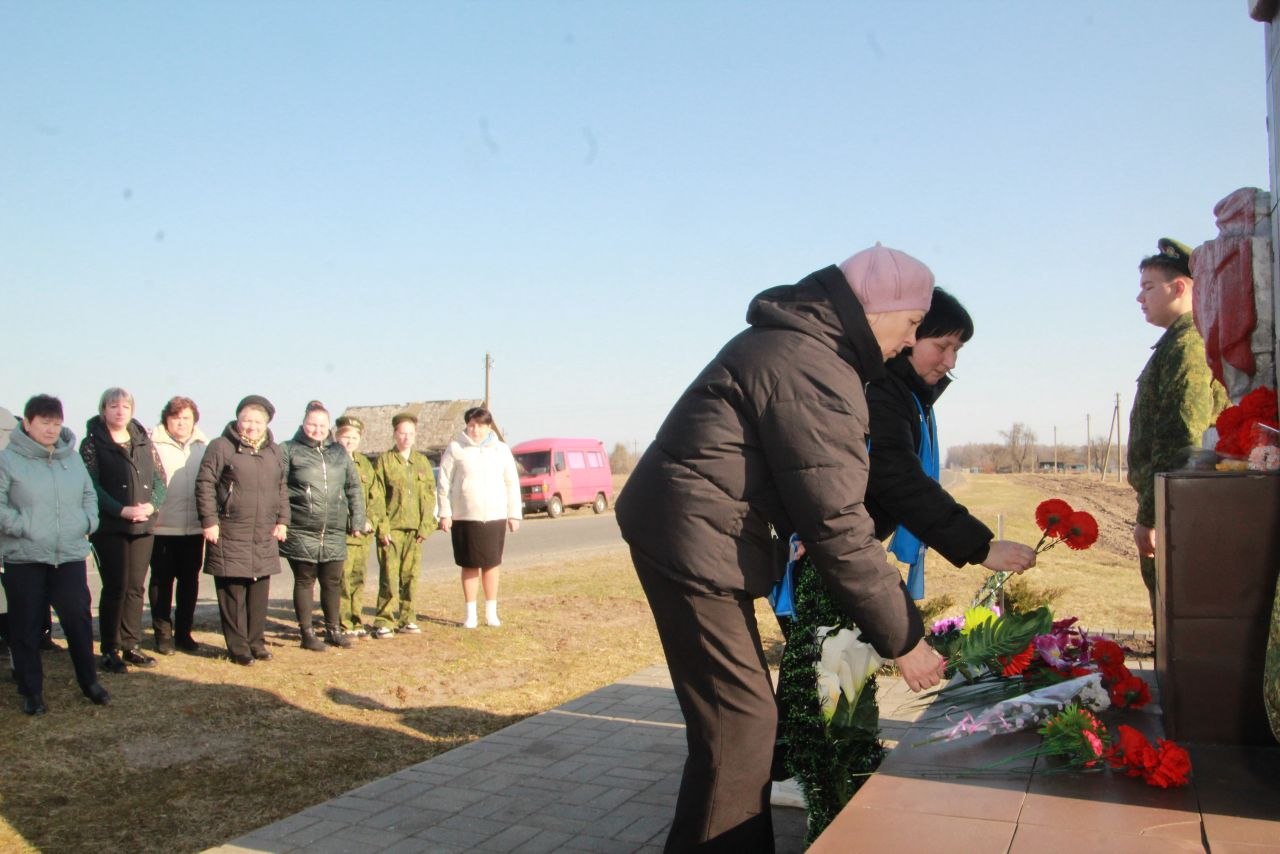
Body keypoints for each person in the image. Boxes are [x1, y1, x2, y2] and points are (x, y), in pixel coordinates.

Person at [616, 243, 949, 851]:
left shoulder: (805, 347)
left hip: (689, 528)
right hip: (690, 538)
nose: (909, 341)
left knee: (738, 725)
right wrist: (904, 638)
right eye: (911, 323)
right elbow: (837, 522)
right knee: (738, 726)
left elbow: (796, 479)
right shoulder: (812, 364)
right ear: (877, 308)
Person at [865, 288, 1037, 595]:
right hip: (823, 549)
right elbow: (899, 480)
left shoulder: (909, 395)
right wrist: (979, 548)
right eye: (943, 346)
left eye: (957, 350)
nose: (951, 361)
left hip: (849, 545)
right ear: (909, 336)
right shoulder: (880, 392)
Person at [1128, 238, 1225, 618]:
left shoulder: (1187, 346)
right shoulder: (1176, 343)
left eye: (1149, 287)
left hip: (1178, 510)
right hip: (1174, 505)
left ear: (1180, 287)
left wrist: (1152, 517)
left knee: (1178, 618)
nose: (1140, 298)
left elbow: (1181, 438)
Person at [0, 395, 109, 714]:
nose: (51, 429)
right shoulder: (8, 460)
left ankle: (89, 682)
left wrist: (88, 521)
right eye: (44, 422)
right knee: (26, 626)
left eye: (56, 423)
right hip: (25, 556)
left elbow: (89, 494)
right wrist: (23, 525)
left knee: (78, 620)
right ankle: (31, 691)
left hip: (69, 555)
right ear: (27, 423)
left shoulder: (70, 458)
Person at [195, 395, 289, 665]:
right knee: (233, 590)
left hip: (263, 531)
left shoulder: (274, 451)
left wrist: (283, 519)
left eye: (258, 421)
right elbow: (205, 483)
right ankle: (238, 648)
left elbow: (281, 487)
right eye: (247, 420)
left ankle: (256, 642)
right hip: (230, 529)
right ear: (238, 420)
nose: (252, 426)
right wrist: (209, 521)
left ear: (266, 423)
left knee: (259, 590)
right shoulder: (221, 446)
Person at [81, 387, 167, 673]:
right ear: (103, 409)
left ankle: (131, 644)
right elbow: (91, 485)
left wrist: (151, 506)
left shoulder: (143, 441)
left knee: (135, 587)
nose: (120, 411)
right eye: (113, 406)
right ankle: (110, 648)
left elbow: (160, 479)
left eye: (125, 407)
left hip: (143, 524)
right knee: (115, 586)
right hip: (110, 526)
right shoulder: (92, 443)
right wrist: (120, 510)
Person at [280, 401, 366, 651]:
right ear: (303, 423)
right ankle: (307, 634)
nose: (317, 430)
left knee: (332, 581)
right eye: (312, 424)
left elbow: (353, 487)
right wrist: (281, 521)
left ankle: (333, 630)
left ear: (329, 427)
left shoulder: (339, 452)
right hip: (301, 528)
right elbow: (279, 487)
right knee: (304, 581)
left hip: (334, 529)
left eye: (322, 425)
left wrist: (357, 520)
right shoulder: (289, 449)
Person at [436, 407, 521, 629]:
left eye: (480, 425)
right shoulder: (456, 448)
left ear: (489, 426)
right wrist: (444, 512)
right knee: (469, 565)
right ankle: (470, 614)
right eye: (471, 425)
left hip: (495, 515)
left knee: (491, 564)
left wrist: (514, 514)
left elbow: (511, 483)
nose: (475, 429)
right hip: (465, 517)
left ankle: (491, 613)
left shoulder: (501, 450)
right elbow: (443, 483)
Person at [368, 412, 436, 638]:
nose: (406, 438)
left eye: (410, 434)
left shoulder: (422, 462)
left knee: (411, 576)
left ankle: (407, 618)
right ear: (394, 434)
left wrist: (426, 525)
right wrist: (382, 527)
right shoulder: (385, 461)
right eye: (402, 433)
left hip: (415, 530)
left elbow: (429, 496)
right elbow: (377, 496)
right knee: (389, 576)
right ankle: (384, 620)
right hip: (392, 529)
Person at [149, 396, 208, 654]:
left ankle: (184, 633)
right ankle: (163, 634)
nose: (181, 423)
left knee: (189, 582)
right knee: (161, 582)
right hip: (162, 526)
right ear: (166, 420)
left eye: (186, 418)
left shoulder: (203, 446)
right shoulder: (151, 444)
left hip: (193, 527)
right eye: (176, 418)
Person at [334, 415, 378, 637]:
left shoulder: (365, 464)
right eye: (345, 437)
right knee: (342, 580)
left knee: (358, 579)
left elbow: (375, 497)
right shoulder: (332, 462)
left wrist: (370, 520)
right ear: (336, 437)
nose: (349, 441)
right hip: (342, 533)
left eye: (354, 437)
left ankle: (356, 619)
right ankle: (343, 622)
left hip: (363, 534)